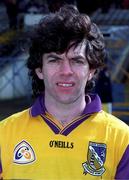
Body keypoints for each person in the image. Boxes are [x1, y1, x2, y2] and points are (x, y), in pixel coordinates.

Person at [0, 4, 129, 179]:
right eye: (54, 60)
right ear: (39, 69)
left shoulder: (122, 139)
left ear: (91, 70)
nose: (66, 71)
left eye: (76, 61)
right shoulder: (4, 134)